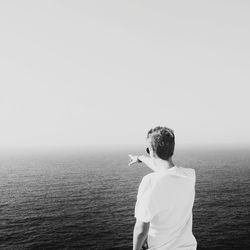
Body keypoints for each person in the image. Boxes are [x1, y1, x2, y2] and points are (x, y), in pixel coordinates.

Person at [128, 126, 197, 250]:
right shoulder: (190, 176)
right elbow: (165, 170)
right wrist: (140, 158)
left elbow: (141, 230)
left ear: (151, 151)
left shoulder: (150, 182)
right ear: (172, 149)